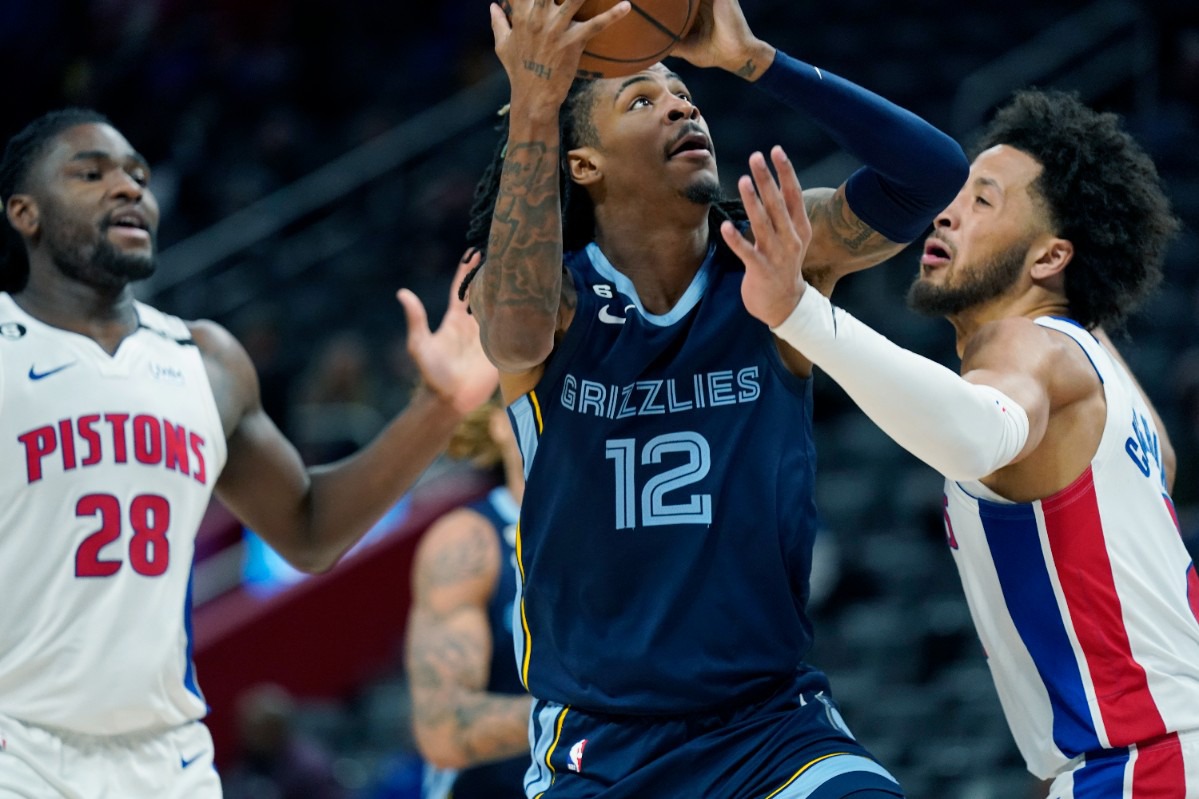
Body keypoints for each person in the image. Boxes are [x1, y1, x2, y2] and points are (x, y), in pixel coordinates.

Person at [460, 0, 969, 795]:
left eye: (683, 94)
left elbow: (933, 175)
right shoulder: (552, 298)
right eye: (641, 99)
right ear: (583, 163)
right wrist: (533, 103)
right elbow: (514, 339)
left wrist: (757, 60)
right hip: (602, 745)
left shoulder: (772, 260)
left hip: (769, 724)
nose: (678, 102)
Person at [0, 108, 498, 798]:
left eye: (138, 175)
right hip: (19, 755)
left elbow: (312, 529)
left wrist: (439, 407)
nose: (128, 188)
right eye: (91, 173)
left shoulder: (205, 359)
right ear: (24, 212)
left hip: (168, 763)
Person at [730, 89, 1197, 796]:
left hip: (1146, 760)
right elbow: (1157, 461)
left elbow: (977, 434)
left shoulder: (1030, 346)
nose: (946, 211)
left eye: (983, 201)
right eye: (956, 193)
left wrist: (799, 312)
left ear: (1049, 257)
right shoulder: (1094, 367)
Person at [405, 395, 531, 799]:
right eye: (538, 400)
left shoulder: (623, 533)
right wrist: (599, 715)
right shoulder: (468, 540)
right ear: (497, 422)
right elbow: (443, 728)